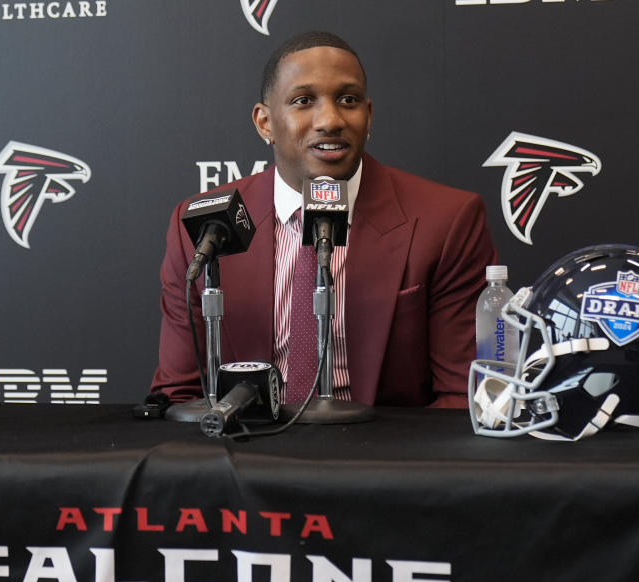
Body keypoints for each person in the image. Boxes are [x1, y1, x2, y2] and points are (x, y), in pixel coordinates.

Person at [149, 31, 496, 409]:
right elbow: (179, 395)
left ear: (368, 115)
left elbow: (463, 399)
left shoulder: (445, 221)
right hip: (246, 455)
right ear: (265, 123)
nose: (330, 120)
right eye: (303, 101)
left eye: (348, 100)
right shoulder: (204, 227)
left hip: (382, 456)